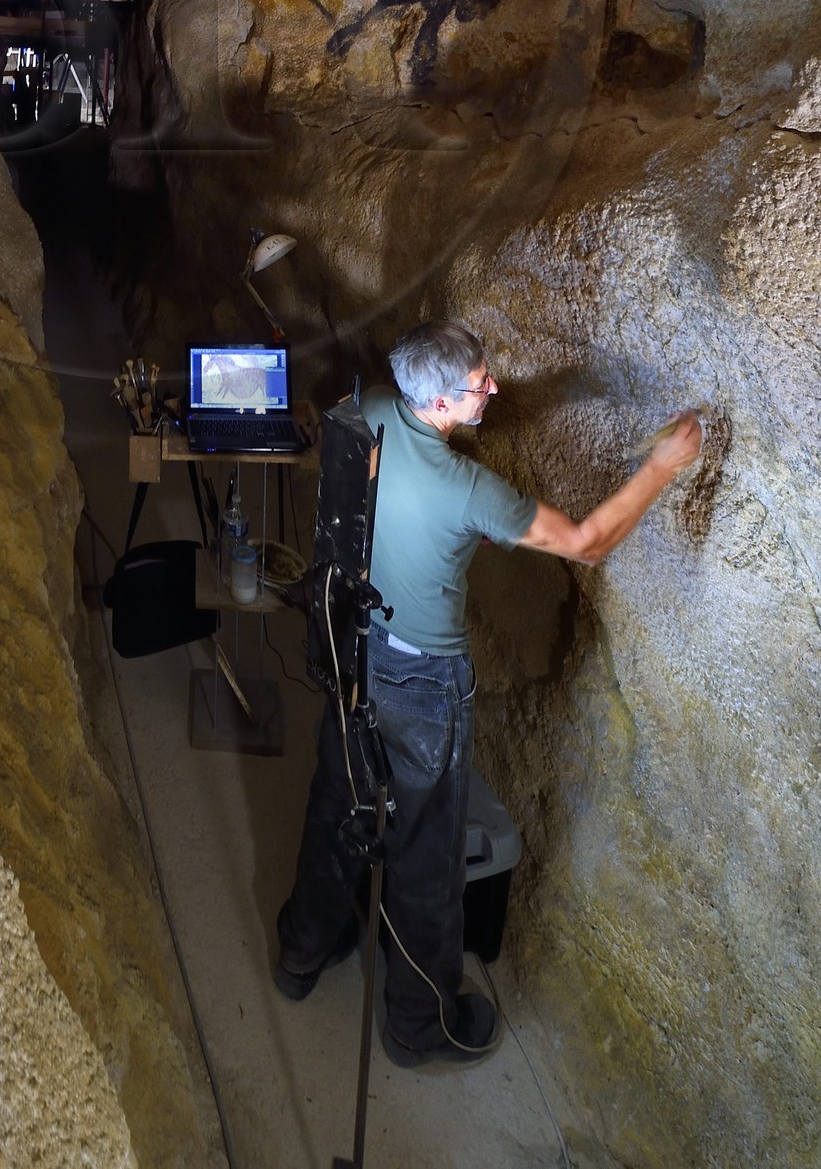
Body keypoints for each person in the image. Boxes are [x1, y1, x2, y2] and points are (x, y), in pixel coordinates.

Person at [274, 320, 703, 1065]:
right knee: (426, 852)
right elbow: (588, 542)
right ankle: (419, 1026)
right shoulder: (470, 487)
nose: (494, 386)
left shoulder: (373, 406)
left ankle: (302, 951)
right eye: (480, 381)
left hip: (351, 650)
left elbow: (351, 485)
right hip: (423, 683)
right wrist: (663, 465)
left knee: (337, 799)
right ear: (440, 400)